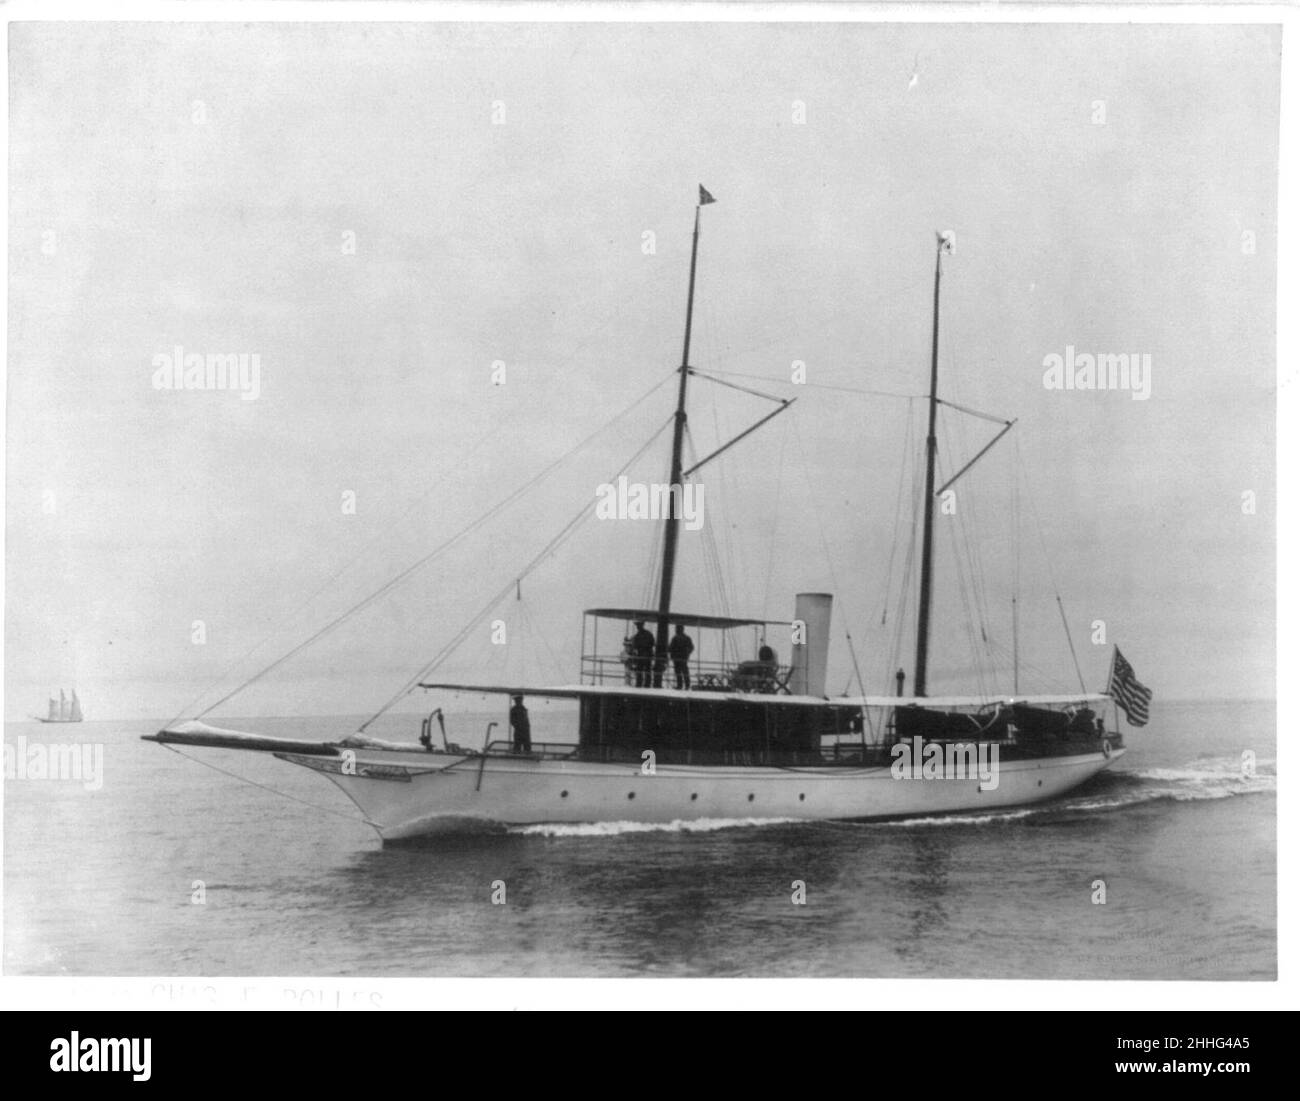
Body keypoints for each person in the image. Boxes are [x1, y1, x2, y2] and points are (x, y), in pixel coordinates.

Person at [668, 623, 694, 690]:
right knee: (683, 672)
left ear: (680, 629)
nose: (676, 630)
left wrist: (672, 653)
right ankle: (686, 685)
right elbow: (691, 647)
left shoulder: (675, 638)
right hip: (682, 658)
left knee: (679, 672)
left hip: (678, 658)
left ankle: (680, 685)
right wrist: (687, 653)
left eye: (677, 629)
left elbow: (670, 648)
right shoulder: (686, 638)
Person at [630, 620, 656, 687]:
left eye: (638, 625)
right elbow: (652, 643)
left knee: (641, 670)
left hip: (642, 655)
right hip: (647, 655)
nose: (637, 627)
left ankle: (639, 683)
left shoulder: (638, 636)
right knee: (646, 671)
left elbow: (635, 646)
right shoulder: (648, 634)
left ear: (641, 625)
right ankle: (646, 684)